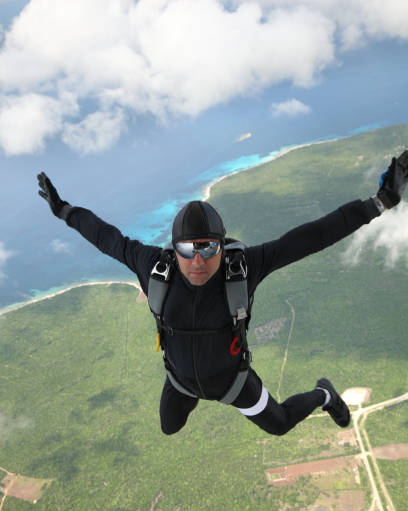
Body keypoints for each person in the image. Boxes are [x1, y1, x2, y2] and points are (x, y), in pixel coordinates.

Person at [37, 149, 408, 436]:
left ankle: (324, 395)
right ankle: (194, 394)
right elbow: (106, 237)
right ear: (173, 248)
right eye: (187, 249)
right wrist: (65, 211)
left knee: (279, 424)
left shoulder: (243, 268)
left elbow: (313, 235)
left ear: (221, 245)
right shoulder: (154, 268)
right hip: (181, 380)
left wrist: (379, 203)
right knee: (170, 428)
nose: (197, 260)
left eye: (208, 248)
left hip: (233, 381)